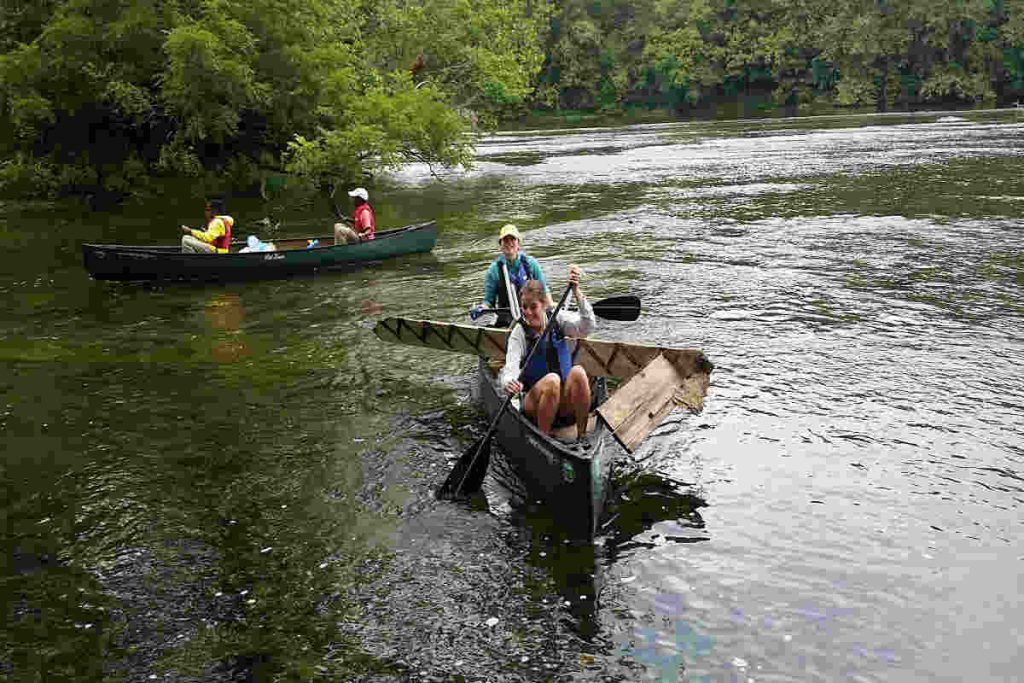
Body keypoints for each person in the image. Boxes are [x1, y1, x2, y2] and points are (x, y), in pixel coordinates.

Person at [499, 268, 595, 444]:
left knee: (579, 372)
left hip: (562, 402)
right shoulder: (519, 332)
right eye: (524, 307)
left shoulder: (558, 319)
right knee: (552, 380)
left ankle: (582, 437)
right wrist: (509, 383)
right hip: (533, 403)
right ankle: (542, 440)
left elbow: (587, 327)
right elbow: (510, 367)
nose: (527, 312)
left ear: (544, 304)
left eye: (533, 307)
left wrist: (577, 292)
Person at [479, 224, 552, 327]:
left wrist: (551, 306)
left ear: (518, 244)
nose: (509, 243)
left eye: (512, 239)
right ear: (501, 245)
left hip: (533, 314)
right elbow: (488, 301)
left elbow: (544, 291)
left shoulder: (531, 264)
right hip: (507, 318)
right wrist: (482, 308)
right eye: (505, 240)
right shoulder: (493, 270)